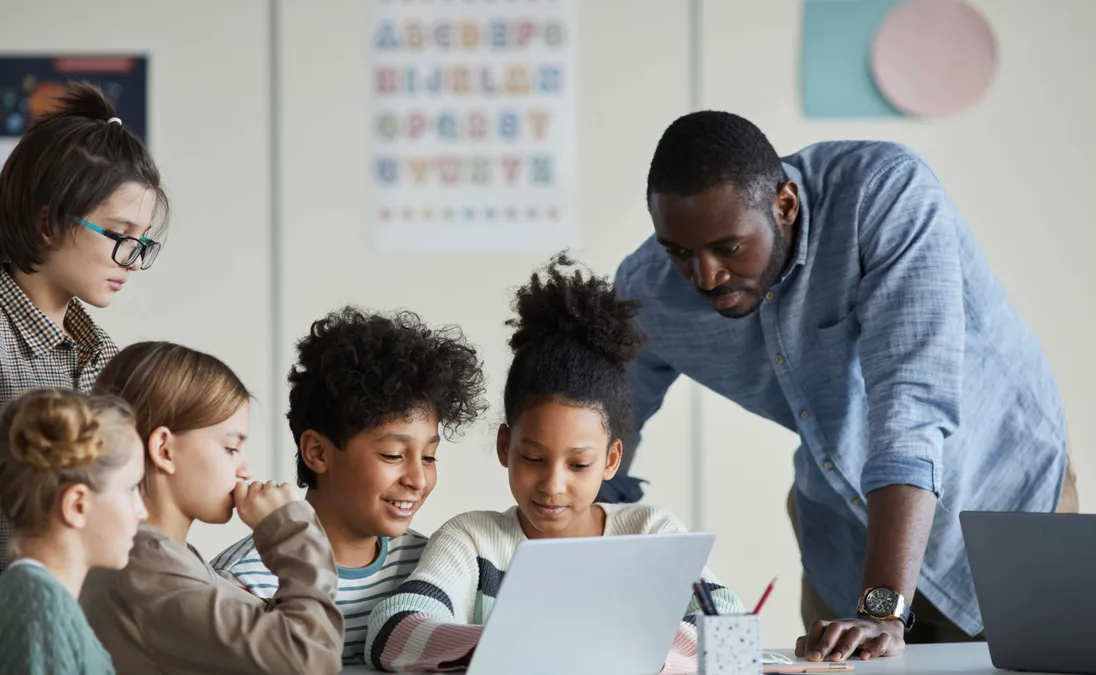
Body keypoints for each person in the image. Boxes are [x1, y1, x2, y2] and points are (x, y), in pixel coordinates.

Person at [612, 110, 1077, 661]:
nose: (706, 276)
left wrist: (881, 611)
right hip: (840, 539)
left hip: (1002, 511)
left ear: (785, 206)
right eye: (680, 252)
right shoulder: (648, 290)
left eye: (729, 248)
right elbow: (596, 439)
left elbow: (910, 413)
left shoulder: (883, 195)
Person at [0, 82, 167, 674]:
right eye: (120, 236)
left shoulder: (99, 355)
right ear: (47, 224)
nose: (132, 261)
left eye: (143, 243)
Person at [365, 255, 744, 674]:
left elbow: (732, 628)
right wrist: (524, 642)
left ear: (611, 459)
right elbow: (393, 631)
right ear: (504, 446)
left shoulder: (652, 535)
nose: (552, 484)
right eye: (532, 458)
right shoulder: (474, 542)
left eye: (579, 464)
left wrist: (622, 653)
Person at [212, 307, 487, 664]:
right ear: (318, 452)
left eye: (430, 457)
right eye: (392, 455)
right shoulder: (244, 582)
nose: (418, 479)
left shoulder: (432, 568)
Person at [79, 341, 344, 674]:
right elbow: (310, 659)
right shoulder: (145, 566)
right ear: (164, 449)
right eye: (231, 448)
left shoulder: (162, 557)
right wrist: (290, 530)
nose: (244, 470)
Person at [0, 389, 146, 675]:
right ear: (77, 505)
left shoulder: (30, 601)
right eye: (131, 488)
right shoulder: (40, 613)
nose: (142, 511)